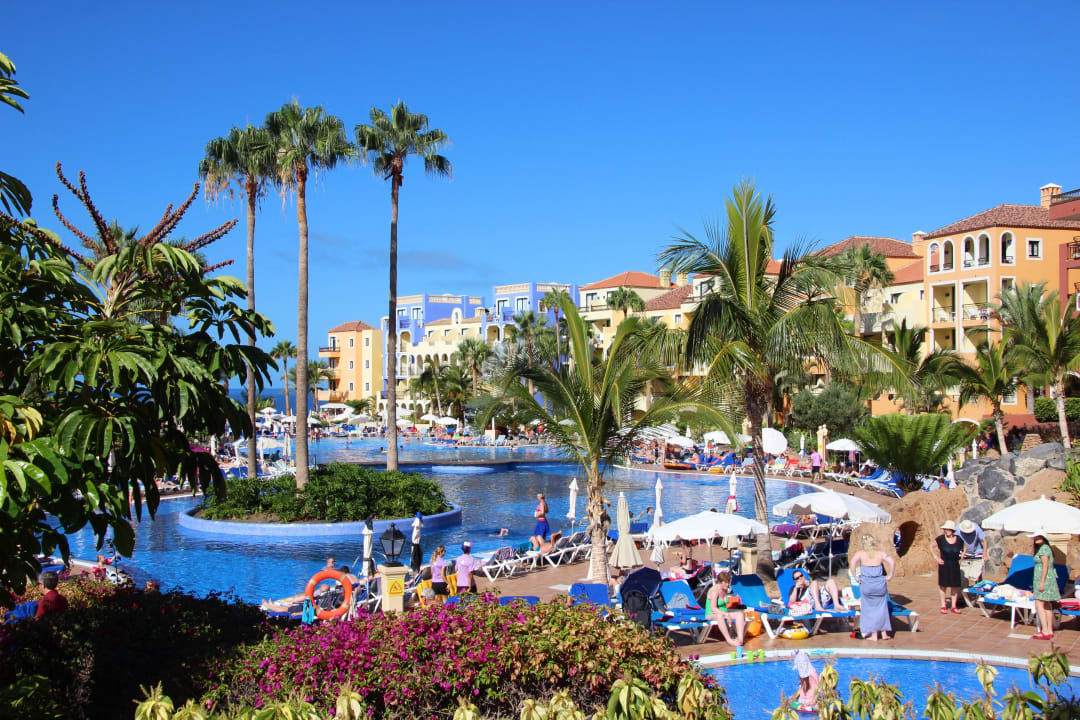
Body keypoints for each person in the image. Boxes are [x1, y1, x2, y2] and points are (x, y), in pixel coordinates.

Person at [850, 534, 895, 641]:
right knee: (882, 608)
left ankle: (874, 635)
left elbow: (852, 562)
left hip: (867, 584)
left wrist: (855, 576)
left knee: (870, 609)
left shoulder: (860, 554)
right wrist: (890, 575)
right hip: (880, 584)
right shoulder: (880, 553)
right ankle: (884, 634)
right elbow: (892, 562)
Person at [1031, 531, 1060, 640]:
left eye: (1039, 536)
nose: (1036, 538)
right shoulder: (1044, 548)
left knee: (1039, 603)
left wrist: (1042, 582)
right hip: (1046, 578)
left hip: (1044, 579)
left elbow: (1045, 566)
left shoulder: (1044, 549)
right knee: (1047, 603)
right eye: (1035, 537)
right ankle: (1049, 630)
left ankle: (1044, 630)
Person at [705, 570, 746, 647]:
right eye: (726, 582)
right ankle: (729, 640)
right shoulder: (714, 591)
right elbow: (713, 608)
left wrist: (726, 614)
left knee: (740, 614)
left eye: (728, 582)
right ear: (720, 582)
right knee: (720, 616)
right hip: (712, 613)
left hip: (724, 612)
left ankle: (740, 639)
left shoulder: (725, 589)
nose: (728, 584)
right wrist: (726, 614)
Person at [932, 520, 963, 614]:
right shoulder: (940, 539)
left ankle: (954, 606)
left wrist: (962, 555)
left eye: (949, 529)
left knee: (955, 586)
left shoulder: (959, 539)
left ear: (952, 530)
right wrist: (936, 557)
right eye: (945, 529)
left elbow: (964, 548)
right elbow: (931, 547)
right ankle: (943, 605)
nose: (947, 531)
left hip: (955, 564)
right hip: (944, 564)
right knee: (943, 586)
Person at [957, 519, 985, 587]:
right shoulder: (957, 530)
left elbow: (984, 540)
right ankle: (963, 590)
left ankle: (979, 589)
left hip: (977, 552)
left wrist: (984, 553)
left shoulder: (976, 528)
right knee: (963, 574)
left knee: (977, 573)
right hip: (964, 552)